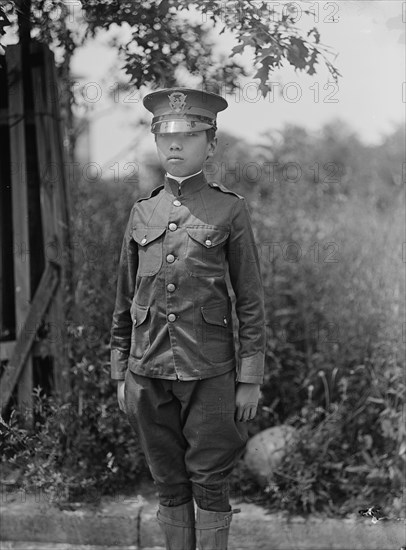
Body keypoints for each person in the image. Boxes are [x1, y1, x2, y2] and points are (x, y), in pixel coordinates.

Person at [110, 87, 265, 550]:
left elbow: (250, 299)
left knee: (210, 481)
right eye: (166, 137)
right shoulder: (142, 212)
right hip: (147, 370)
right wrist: (120, 371)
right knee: (168, 482)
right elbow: (123, 298)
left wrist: (250, 377)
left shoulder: (229, 209)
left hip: (210, 371)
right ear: (157, 142)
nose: (175, 146)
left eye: (190, 136)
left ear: (210, 145)